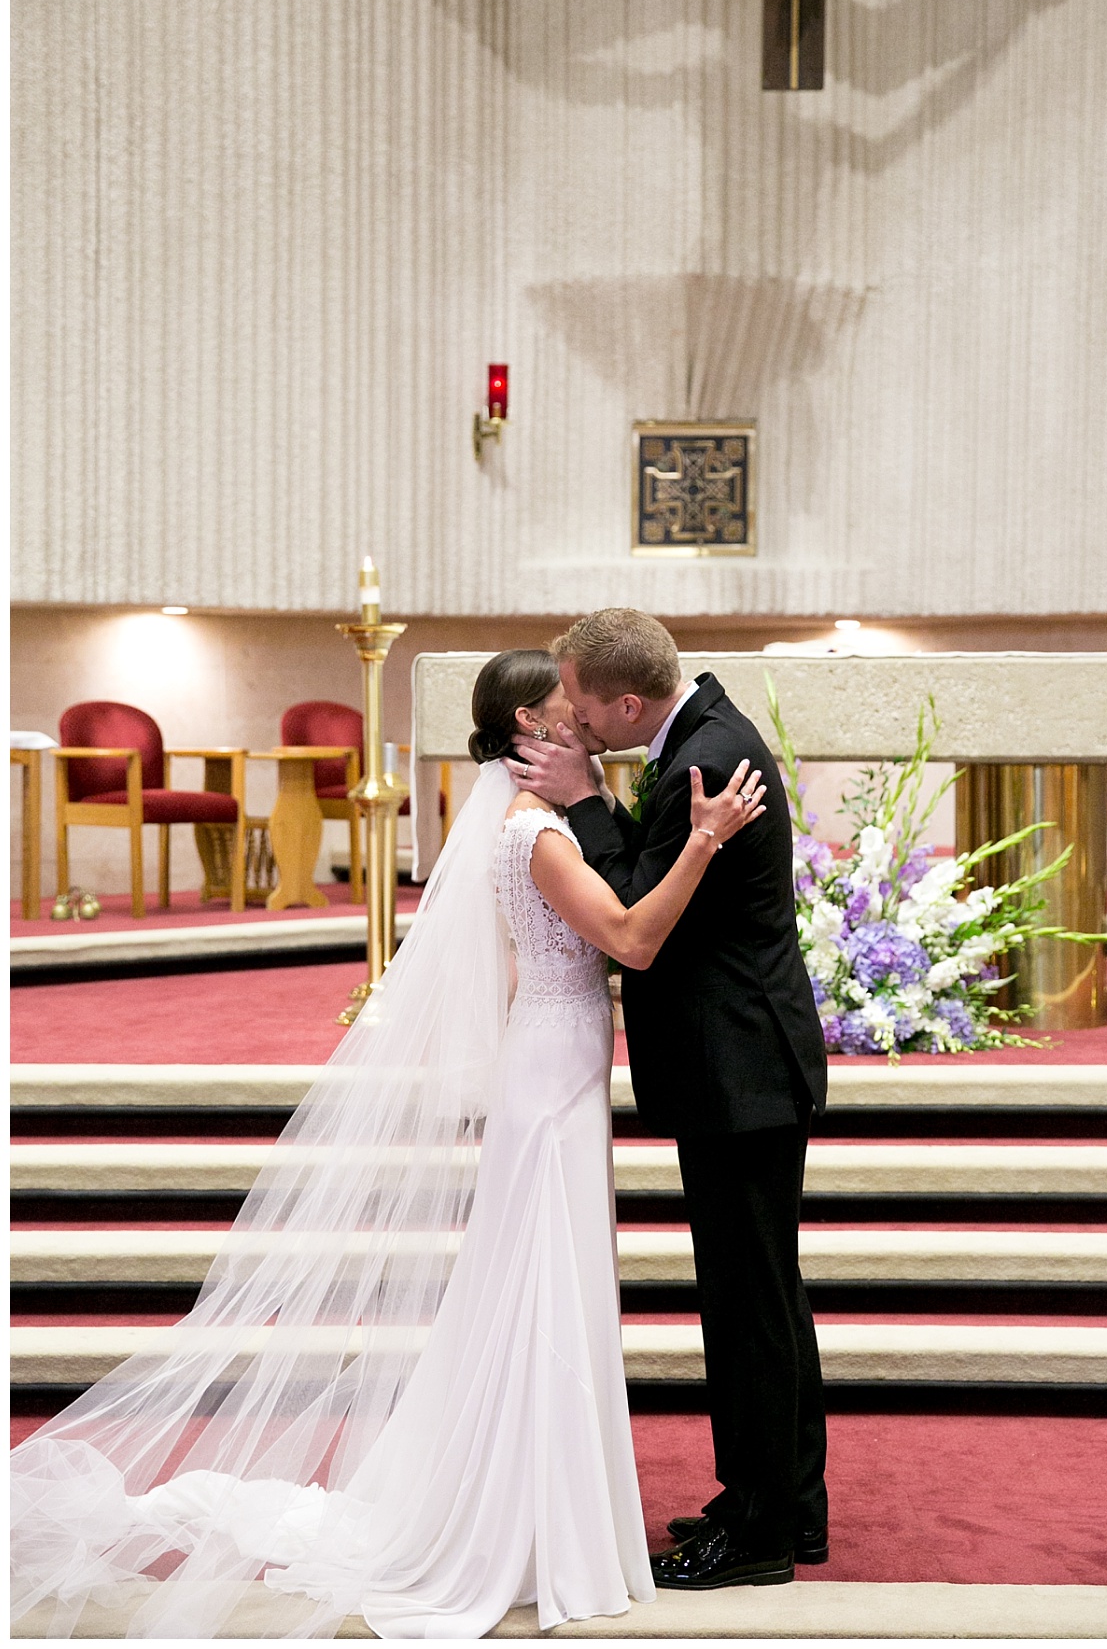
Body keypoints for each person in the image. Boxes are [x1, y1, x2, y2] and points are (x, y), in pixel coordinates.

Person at [10, 649, 765, 1641]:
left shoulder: (524, 825)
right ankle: (526, 1518)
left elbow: (515, 966)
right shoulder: (535, 832)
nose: (583, 719)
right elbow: (628, 939)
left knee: (545, 1282)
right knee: (545, 1281)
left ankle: (537, 1501)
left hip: (550, 1065)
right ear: (529, 730)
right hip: (553, 1078)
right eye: (563, 711)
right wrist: (703, 841)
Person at [507, 609, 829, 1592]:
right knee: (760, 1297)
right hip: (739, 1065)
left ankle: (765, 1527)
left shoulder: (705, 756)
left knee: (749, 1306)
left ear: (629, 701)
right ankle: (777, 1499)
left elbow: (636, 909)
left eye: (585, 704)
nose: (578, 721)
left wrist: (585, 798)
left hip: (740, 1070)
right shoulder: (700, 736)